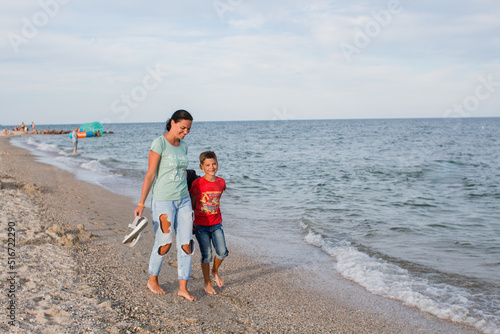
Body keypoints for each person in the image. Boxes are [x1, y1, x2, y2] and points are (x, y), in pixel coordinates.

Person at [134, 109, 196, 300]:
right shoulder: (159, 143)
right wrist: (141, 203)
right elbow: (151, 174)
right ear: (172, 123)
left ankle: (183, 287)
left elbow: (182, 172)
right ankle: (152, 279)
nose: (185, 132)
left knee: (186, 244)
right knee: (165, 242)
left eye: (188, 129)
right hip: (163, 201)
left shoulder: (183, 146)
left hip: (184, 199)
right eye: (182, 128)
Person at [190, 151, 228, 295]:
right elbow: (193, 202)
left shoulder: (221, 182)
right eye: (207, 165)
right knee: (206, 255)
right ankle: (207, 282)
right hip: (201, 225)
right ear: (201, 167)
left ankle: (215, 271)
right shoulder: (197, 183)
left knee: (222, 252)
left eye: (213, 164)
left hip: (216, 223)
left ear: (217, 164)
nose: (211, 167)